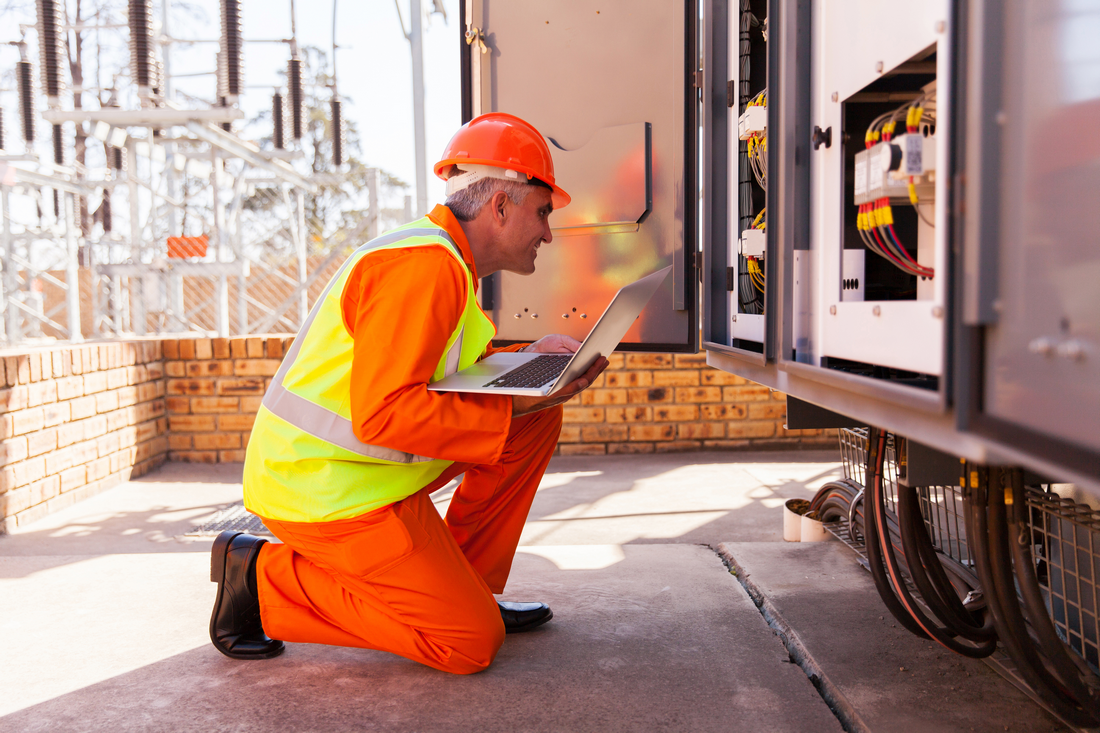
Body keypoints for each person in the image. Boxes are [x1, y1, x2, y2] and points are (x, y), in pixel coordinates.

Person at [207, 112, 609, 674]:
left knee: (532, 422)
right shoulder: (421, 266)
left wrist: (528, 362)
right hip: (322, 488)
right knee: (467, 644)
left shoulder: (448, 264)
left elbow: (444, 372)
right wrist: (518, 401)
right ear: (500, 206)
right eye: (542, 213)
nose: (547, 232)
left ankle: (468, 587)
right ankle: (260, 580)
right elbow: (385, 412)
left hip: (360, 472)